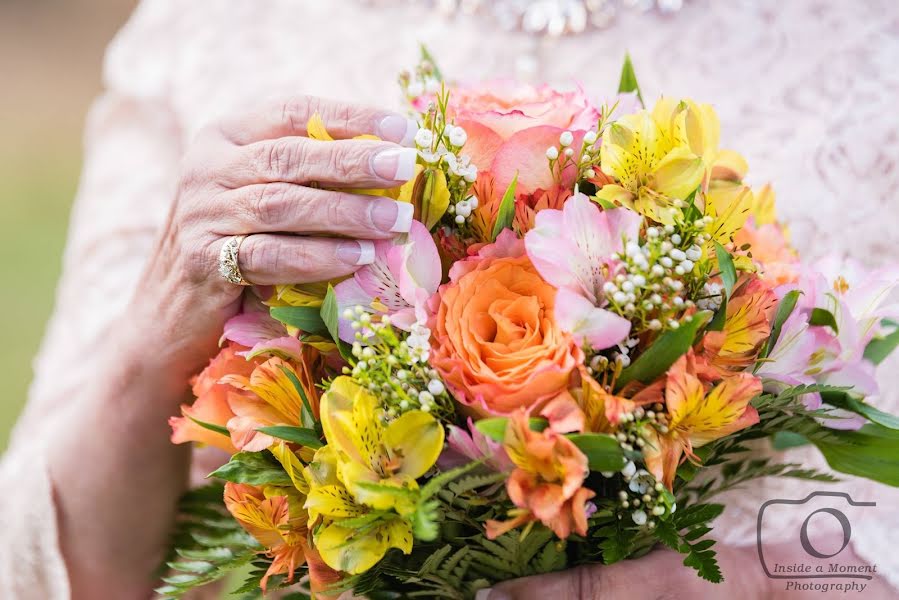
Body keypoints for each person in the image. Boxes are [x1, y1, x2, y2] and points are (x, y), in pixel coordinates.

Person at [2, 1, 898, 598]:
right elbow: (51, 574)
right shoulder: (213, 24)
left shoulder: (864, 41)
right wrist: (154, 332)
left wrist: (770, 579)